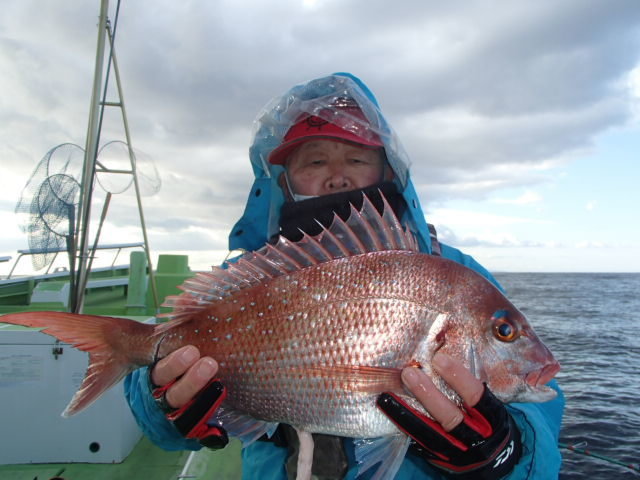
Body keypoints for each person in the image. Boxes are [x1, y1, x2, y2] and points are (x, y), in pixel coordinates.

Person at [125, 73, 564, 479]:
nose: (336, 177)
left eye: (356, 157)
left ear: (388, 171)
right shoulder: (246, 277)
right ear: (284, 183)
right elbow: (165, 429)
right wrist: (157, 395)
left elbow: (544, 420)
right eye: (314, 162)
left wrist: (509, 448)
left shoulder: (457, 274)